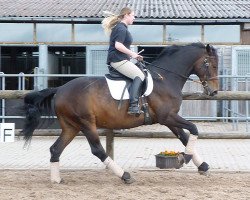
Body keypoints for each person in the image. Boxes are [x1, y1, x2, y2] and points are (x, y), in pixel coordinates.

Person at [102, 7, 145, 116]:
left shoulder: (122, 28)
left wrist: (133, 57)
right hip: (117, 60)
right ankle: (133, 106)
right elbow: (118, 45)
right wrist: (133, 54)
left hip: (121, 59)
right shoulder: (121, 28)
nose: (134, 18)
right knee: (140, 75)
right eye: (133, 15)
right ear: (126, 15)